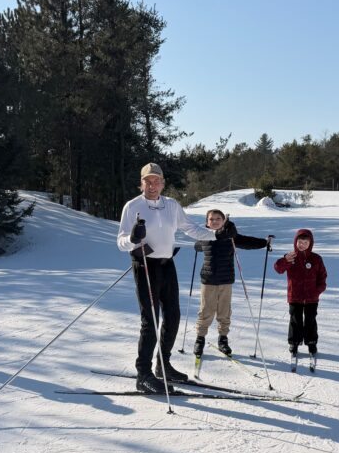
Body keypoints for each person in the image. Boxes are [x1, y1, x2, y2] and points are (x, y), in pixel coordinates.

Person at [117, 163, 232, 393]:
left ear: (162, 183)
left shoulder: (171, 205)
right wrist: (131, 237)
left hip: (167, 264)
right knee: (150, 321)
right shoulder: (133, 206)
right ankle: (144, 374)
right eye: (147, 181)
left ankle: (163, 365)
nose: (152, 185)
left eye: (156, 181)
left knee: (173, 317)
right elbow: (121, 242)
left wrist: (216, 234)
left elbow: (191, 228)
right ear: (141, 183)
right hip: (145, 266)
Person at [192, 210, 271, 359]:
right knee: (206, 311)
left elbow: (247, 242)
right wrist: (197, 246)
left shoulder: (230, 237)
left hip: (225, 280)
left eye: (218, 219)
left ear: (223, 221)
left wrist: (264, 243)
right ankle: (200, 339)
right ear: (207, 222)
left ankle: (223, 339)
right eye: (211, 219)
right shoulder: (203, 235)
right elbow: (197, 245)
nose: (214, 221)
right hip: (208, 280)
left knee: (224, 311)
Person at [273, 228, 327, 371]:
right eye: (300, 242)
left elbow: (322, 277)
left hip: (311, 298)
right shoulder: (291, 257)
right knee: (295, 320)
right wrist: (285, 260)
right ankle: (294, 342)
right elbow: (278, 268)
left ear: (311, 243)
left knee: (310, 320)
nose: (302, 245)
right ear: (295, 242)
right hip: (295, 296)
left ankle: (311, 342)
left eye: (305, 242)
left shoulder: (316, 259)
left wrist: (318, 290)